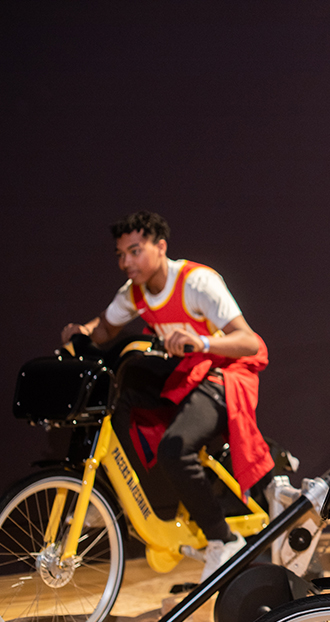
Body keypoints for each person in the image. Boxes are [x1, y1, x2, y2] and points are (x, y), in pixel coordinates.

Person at [62, 211, 274, 580]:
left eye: (134, 251)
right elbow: (105, 327)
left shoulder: (198, 282)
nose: (126, 262)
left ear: (160, 247)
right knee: (115, 394)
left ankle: (224, 540)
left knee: (175, 450)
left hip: (226, 373)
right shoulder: (134, 291)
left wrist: (202, 341)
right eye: (120, 254)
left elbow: (249, 341)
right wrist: (80, 331)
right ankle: (106, 493)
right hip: (186, 373)